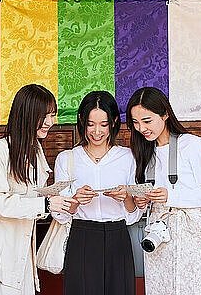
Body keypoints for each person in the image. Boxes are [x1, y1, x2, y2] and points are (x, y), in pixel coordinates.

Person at [0, 84, 77, 295]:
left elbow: (37, 197)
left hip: (24, 259)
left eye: (52, 115)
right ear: (26, 114)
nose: (50, 122)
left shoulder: (35, 150)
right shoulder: (0, 150)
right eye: (44, 115)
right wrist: (44, 203)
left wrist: (61, 200)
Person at [126, 87, 201, 295]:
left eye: (147, 121)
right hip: (157, 236)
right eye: (135, 123)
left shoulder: (192, 145)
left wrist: (171, 196)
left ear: (165, 114)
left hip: (189, 234)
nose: (141, 128)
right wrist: (143, 202)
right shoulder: (144, 150)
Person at [52, 91, 142, 295]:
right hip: (82, 237)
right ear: (82, 121)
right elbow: (59, 213)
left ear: (114, 122)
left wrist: (127, 197)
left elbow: (133, 215)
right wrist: (75, 200)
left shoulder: (128, 157)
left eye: (104, 124)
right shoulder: (67, 158)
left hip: (118, 237)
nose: (97, 131)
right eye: (91, 124)